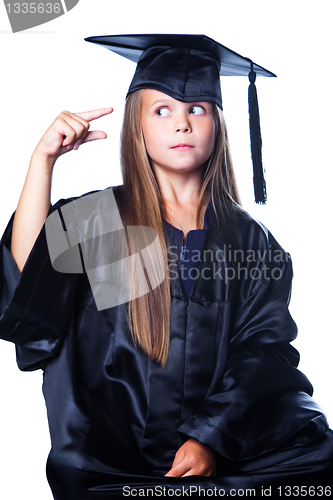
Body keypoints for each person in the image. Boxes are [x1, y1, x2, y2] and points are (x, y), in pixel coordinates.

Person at [0, 34, 332, 499]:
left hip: (218, 448)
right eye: (162, 111)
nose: (182, 124)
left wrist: (210, 438)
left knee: (318, 455)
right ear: (136, 126)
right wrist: (43, 162)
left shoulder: (253, 243)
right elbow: (28, 284)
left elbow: (264, 352)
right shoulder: (95, 220)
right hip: (109, 457)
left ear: (217, 123)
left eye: (197, 109)